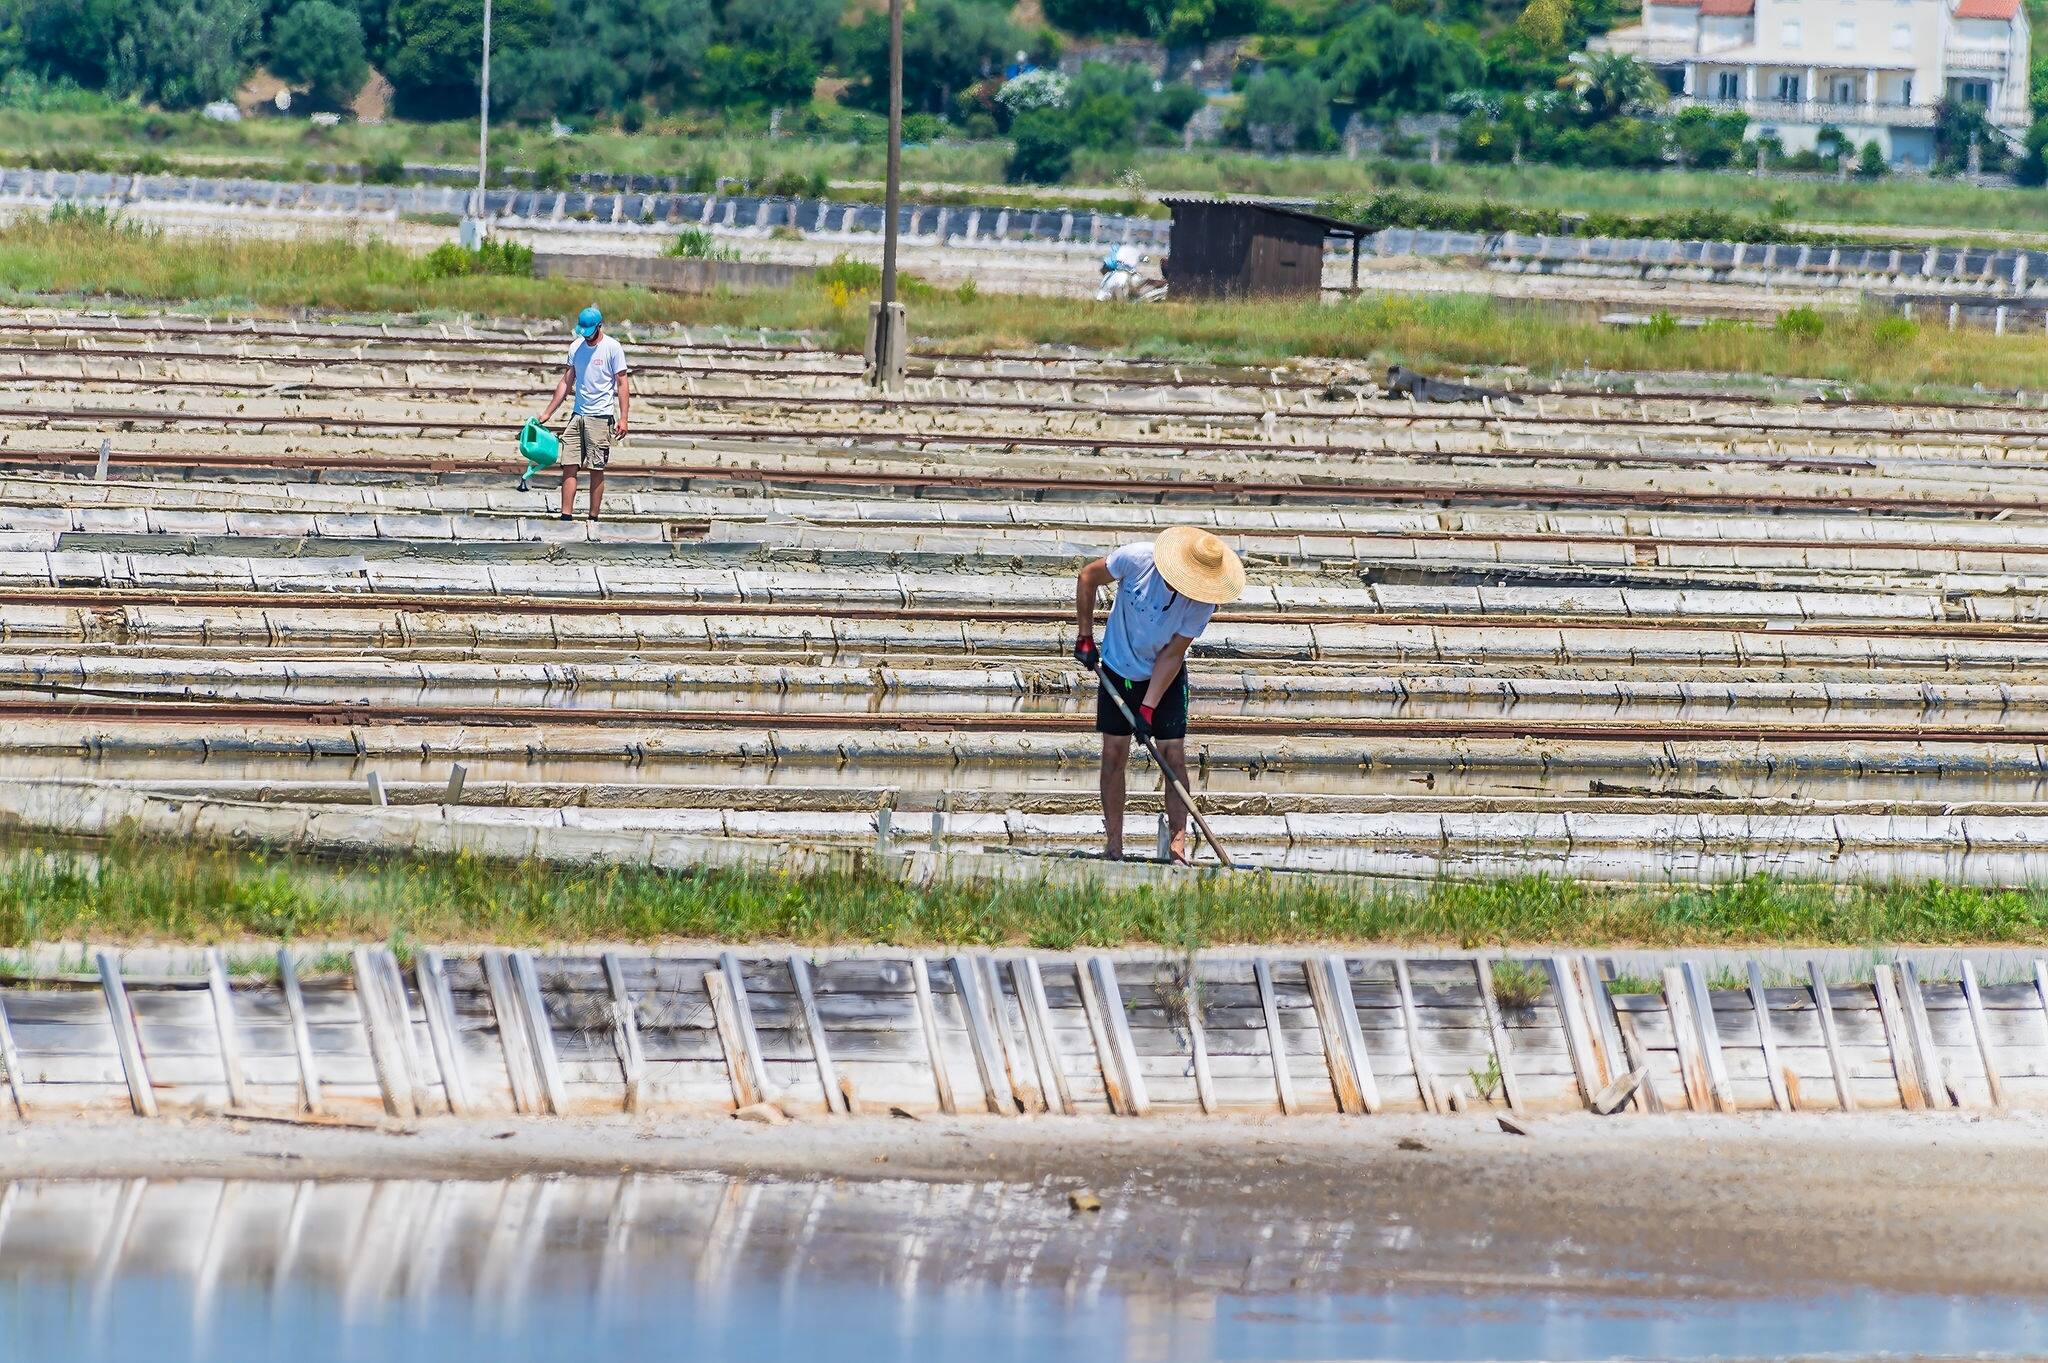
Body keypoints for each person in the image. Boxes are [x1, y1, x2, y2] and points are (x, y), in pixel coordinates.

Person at [1073, 527, 1245, 864]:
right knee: (1113, 754)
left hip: (1164, 676)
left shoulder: (1203, 603)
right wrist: (1084, 637)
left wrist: (1148, 708)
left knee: (1174, 755)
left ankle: (1178, 847)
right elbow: (1086, 578)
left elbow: (1172, 654)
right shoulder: (1136, 559)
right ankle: (1114, 846)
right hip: (1118, 667)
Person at [537, 306, 631, 521]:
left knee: (596, 468)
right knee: (569, 465)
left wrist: (624, 418)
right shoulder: (576, 347)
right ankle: (565, 517)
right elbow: (566, 381)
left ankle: (593, 518)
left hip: (600, 417)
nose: (586, 336)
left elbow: (622, 384)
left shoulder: (612, 348)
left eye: (590, 331)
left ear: (599, 326)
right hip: (577, 415)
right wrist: (547, 413)